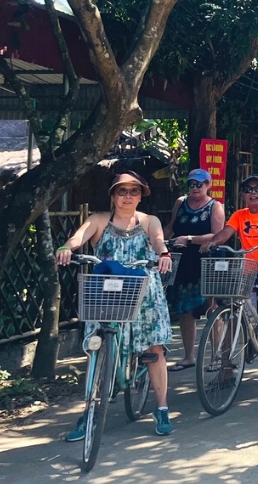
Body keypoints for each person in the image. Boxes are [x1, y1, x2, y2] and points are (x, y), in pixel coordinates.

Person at [56, 172, 176, 438]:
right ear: (113, 195)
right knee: (97, 347)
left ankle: (162, 407)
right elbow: (79, 237)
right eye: (122, 191)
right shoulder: (99, 220)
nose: (128, 196)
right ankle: (89, 412)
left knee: (154, 348)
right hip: (107, 292)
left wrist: (163, 254)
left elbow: (158, 240)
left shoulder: (148, 220)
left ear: (140, 196)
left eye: (134, 191)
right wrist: (67, 247)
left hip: (143, 290)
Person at [202, 175, 258, 329]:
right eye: (248, 190)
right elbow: (226, 232)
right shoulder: (239, 215)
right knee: (241, 313)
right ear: (243, 194)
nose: (253, 192)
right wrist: (212, 242)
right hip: (248, 270)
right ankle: (235, 348)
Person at [164, 168, 226, 372]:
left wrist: (190, 239)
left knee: (211, 306)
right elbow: (171, 226)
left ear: (208, 185)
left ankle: (217, 355)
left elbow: (218, 234)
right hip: (183, 260)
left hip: (206, 260)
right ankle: (188, 356)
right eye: (191, 184)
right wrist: (157, 242)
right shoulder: (181, 202)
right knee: (185, 309)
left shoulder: (214, 206)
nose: (195, 188)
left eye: (199, 184)